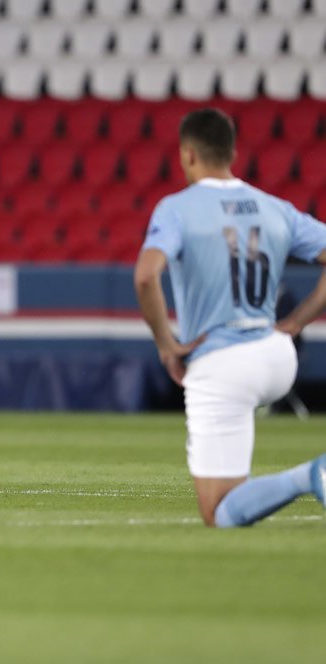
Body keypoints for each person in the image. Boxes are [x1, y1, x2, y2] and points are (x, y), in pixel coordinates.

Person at [134, 108, 326, 527]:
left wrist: (167, 346)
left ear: (187, 155)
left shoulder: (176, 209)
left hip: (222, 361)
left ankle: (311, 475)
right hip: (277, 355)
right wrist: (297, 321)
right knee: (229, 499)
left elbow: (146, 276)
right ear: (233, 152)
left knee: (219, 511)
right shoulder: (274, 207)